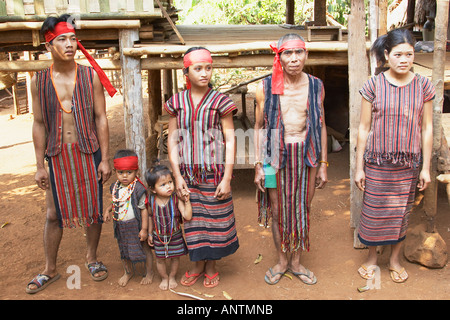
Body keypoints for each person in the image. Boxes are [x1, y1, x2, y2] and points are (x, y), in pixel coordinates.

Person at [26, 13, 116, 294]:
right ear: (48, 46)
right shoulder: (38, 81)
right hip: (56, 154)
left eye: (73, 39)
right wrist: (39, 165)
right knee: (53, 213)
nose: (69, 44)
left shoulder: (91, 77)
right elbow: (39, 123)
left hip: (88, 150)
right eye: (61, 39)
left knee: (92, 210)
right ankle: (49, 269)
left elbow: (101, 118)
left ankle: (91, 258)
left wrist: (105, 158)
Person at [355, 29, 434, 283]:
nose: (404, 60)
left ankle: (394, 260)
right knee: (373, 212)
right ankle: (371, 259)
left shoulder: (424, 86)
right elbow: (364, 128)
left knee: (401, 214)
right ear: (386, 55)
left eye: (409, 54)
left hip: (407, 164)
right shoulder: (373, 84)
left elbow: (427, 128)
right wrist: (359, 167)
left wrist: (425, 168)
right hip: (376, 162)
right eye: (398, 54)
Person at [254, 34, 328, 286]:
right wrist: (258, 166)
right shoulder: (265, 87)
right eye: (288, 53)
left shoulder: (317, 85)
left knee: (303, 209)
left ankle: (296, 262)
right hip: (275, 156)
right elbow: (258, 127)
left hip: (307, 156)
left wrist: (323, 164)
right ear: (279, 57)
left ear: (306, 54)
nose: (294, 58)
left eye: (299, 52)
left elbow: (321, 124)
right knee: (278, 212)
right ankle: (282, 261)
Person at [165, 47, 239, 288]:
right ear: (186, 72)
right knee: (193, 220)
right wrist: (177, 177)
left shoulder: (220, 101)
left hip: (214, 173)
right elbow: (172, 139)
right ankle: (197, 264)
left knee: (216, 220)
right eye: (198, 68)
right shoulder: (176, 102)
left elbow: (230, 139)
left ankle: (211, 265)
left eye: (208, 68)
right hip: (187, 174)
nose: (204, 73)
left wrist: (227, 177)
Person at [104, 149, 154, 286]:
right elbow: (116, 200)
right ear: (115, 171)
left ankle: (149, 272)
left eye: (129, 172)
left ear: (136, 171)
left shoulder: (138, 189)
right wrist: (108, 209)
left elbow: (143, 210)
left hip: (136, 226)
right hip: (121, 226)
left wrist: (144, 229)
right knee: (124, 250)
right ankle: (128, 272)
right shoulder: (115, 187)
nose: (125, 176)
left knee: (144, 249)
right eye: (120, 172)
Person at [145, 165, 192, 290]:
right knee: (160, 259)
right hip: (158, 236)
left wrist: (187, 201)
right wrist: (150, 233)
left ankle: (172, 276)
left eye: (170, 182)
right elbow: (150, 216)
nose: (169, 186)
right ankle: (164, 277)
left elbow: (187, 216)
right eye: (163, 185)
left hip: (175, 235)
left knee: (175, 258)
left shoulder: (176, 199)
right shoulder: (151, 200)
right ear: (153, 189)